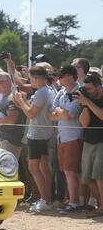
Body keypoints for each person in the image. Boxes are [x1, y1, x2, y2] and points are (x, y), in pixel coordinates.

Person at [14, 66, 55, 213]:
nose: (30, 81)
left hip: (38, 134)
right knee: (44, 167)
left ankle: (45, 199)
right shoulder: (47, 90)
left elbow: (31, 114)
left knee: (33, 167)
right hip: (43, 133)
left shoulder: (42, 92)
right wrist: (23, 101)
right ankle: (47, 199)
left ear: (36, 78)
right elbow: (33, 110)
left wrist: (20, 99)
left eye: (31, 78)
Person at [50, 66, 84, 214]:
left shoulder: (79, 92)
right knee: (67, 171)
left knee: (71, 171)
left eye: (62, 76)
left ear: (70, 77)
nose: (59, 79)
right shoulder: (61, 92)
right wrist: (60, 112)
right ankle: (73, 200)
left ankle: (75, 202)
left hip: (73, 137)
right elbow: (51, 115)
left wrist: (59, 112)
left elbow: (70, 115)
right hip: (61, 137)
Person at [76, 74, 103, 218]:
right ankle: (100, 204)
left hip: (102, 141)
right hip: (89, 140)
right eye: (85, 88)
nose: (88, 91)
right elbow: (84, 123)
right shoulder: (87, 99)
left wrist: (88, 101)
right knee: (87, 176)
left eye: (90, 88)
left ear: (99, 86)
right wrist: (85, 104)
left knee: (99, 174)